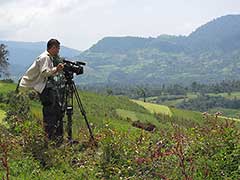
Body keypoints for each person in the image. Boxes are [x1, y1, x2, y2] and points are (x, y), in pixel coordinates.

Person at [19, 39, 65, 145]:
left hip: (36, 86)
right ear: (53, 47)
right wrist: (56, 69)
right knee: (50, 110)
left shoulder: (47, 57)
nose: (58, 51)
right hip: (33, 86)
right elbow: (45, 73)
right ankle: (50, 137)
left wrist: (55, 70)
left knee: (53, 109)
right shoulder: (46, 57)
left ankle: (53, 137)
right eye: (58, 48)